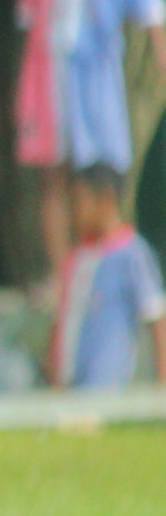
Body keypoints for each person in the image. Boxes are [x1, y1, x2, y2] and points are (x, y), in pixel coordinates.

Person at [15, 0, 166, 282]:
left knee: (98, 181)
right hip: (48, 80)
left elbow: (151, 13)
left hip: (96, 86)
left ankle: (103, 275)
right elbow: (29, 20)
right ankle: (63, 279)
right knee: (52, 179)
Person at [48, 164, 166, 389]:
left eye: (79, 202)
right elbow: (63, 318)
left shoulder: (133, 255)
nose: (74, 212)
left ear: (105, 200)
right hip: (70, 388)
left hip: (106, 390)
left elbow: (157, 319)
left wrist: (162, 386)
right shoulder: (79, 256)